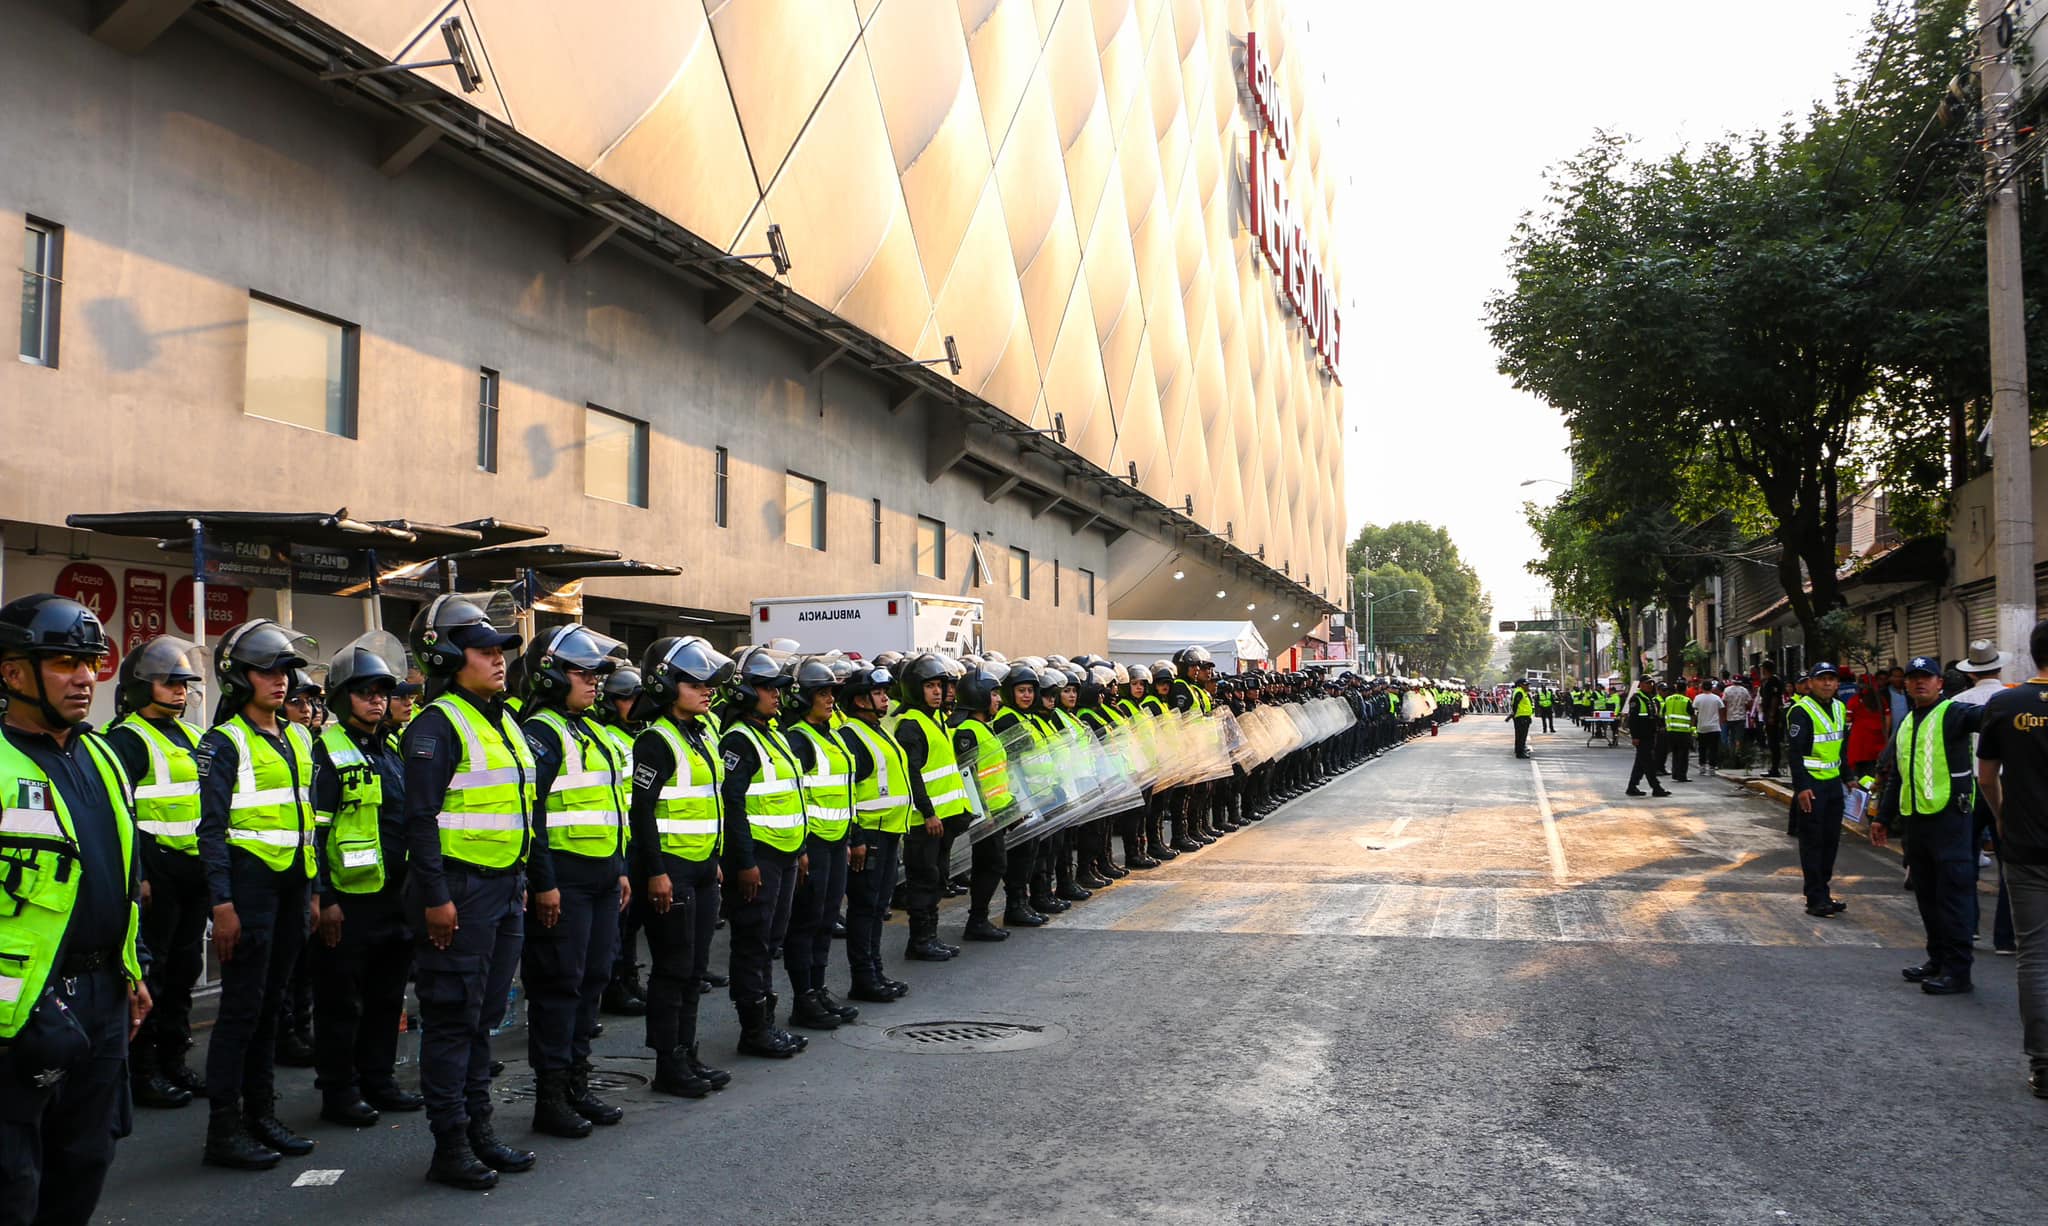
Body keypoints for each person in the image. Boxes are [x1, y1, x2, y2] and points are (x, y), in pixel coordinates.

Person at [0, 595, 150, 1226]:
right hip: (18, 1003)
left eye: (91, 662)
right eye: (64, 662)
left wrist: (132, 967)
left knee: (86, 1159)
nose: (87, 678)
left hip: (102, 994)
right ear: (12, 672)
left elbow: (123, 873)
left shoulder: (104, 756)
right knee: (11, 1180)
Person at [400, 595, 536, 1191]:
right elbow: (420, 819)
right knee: (452, 1019)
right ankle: (449, 1143)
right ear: (450, 657)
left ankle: (479, 1128)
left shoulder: (500, 717)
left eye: (501, 651)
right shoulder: (436, 726)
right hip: (457, 890)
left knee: (484, 1018)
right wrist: (436, 897)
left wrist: (524, 880)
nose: (499, 661)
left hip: (503, 888)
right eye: (485, 652)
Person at [194, 618, 319, 1171]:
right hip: (248, 890)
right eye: (267, 671)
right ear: (238, 677)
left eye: (286, 672)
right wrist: (221, 904)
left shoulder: (298, 736)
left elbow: (307, 820)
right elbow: (211, 830)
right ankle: (224, 1128)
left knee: (273, 1007)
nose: (281, 682)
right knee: (242, 1010)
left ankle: (261, 1113)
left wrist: (312, 891)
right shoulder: (223, 742)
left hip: (292, 886)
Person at [518, 624, 632, 1139]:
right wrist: (543, 882)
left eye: (596, 674)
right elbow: (532, 815)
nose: (594, 683)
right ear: (550, 675)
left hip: (602, 877)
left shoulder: (589, 729)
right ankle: (551, 1097)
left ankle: (577, 1085)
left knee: (591, 983)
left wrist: (620, 869)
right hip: (564, 880)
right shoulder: (541, 730)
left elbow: (611, 807)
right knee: (559, 987)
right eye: (583, 673)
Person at [305, 632, 421, 1128]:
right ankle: (339, 1091)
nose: (377, 700)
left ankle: (378, 1079)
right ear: (339, 696)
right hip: (348, 904)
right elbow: (314, 833)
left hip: (394, 898)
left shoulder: (391, 750)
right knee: (339, 1003)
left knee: (386, 997)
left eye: (382, 692)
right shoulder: (325, 752)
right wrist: (324, 898)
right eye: (365, 691)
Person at [627, 637, 735, 1098]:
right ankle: (668, 1063)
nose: (707, 689)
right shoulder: (655, 739)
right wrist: (655, 872)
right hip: (669, 868)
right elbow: (642, 812)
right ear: (667, 684)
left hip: (700, 867)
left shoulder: (703, 732)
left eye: (708, 681)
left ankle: (687, 1053)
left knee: (694, 969)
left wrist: (714, 861)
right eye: (694, 682)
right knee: (672, 969)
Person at [104, 635, 207, 1111]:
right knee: (155, 972)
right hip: (155, 871)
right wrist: (138, 874)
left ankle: (174, 1060)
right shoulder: (125, 738)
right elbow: (119, 813)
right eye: (170, 683)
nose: (180, 691)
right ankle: (141, 1071)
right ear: (142, 687)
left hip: (192, 866)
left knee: (185, 970)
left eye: (184, 683)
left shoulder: (189, 736)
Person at [1871, 655, 1987, 995]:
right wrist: (1881, 817)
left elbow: (1987, 718)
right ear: (1905, 683)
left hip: (1949, 821)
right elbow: (1898, 777)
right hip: (1916, 822)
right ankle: (1937, 960)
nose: (1920, 682)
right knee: (1927, 897)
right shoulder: (1908, 722)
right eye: (1913, 677)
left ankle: (1958, 971)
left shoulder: (1953, 713)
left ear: (1940, 683)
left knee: (1952, 896)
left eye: (1927, 677)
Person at [716, 647, 811, 1058]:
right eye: (767, 687)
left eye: (778, 687)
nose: (776, 695)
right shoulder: (738, 739)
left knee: (770, 941)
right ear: (743, 692)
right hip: (761, 857)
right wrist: (745, 862)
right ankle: (754, 1029)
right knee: (753, 942)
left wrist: (801, 848)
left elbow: (790, 797)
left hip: (786, 854)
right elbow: (732, 804)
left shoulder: (772, 734)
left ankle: (767, 1024)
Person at [1974, 620, 2048, 1096]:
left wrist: (2002, 819)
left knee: (2036, 956)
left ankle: (2044, 1066)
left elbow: (1986, 777)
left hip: (2026, 846)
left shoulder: (2006, 704)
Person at [779, 658, 859, 1031]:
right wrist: (804, 848)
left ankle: (818, 987)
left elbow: (842, 792)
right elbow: (797, 797)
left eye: (831, 693)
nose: (829, 700)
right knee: (806, 922)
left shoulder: (830, 734)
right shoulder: (797, 738)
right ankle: (804, 998)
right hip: (812, 844)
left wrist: (847, 837)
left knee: (826, 920)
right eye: (822, 693)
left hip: (834, 841)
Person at [836, 664, 917, 996]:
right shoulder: (852, 736)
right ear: (859, 700)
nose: (885, 698)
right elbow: (847, 792)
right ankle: (864, 978)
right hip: (868, 835)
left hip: (888, 832)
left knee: (877, 907)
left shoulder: (877, 729)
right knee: (865, 907)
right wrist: (854, 838)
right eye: (878, 693)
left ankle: (875, 972)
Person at [889, 654, 970, 960]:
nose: (938, 691)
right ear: (914, 689)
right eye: (930, 686)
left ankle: (930, 937)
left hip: (943, 819)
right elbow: (912, 774)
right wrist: (928, 813)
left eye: (940, 685)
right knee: (923, 882)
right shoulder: (911, 724)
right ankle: (920, 940)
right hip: (924, 822)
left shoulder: (934, 720)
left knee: (936, 879)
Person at [597, 666, 652, 1018]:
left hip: (640, 836)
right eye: (625, 698)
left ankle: (629, 976)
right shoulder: (609, 737)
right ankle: (615, 984)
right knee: (620, 918)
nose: (633, 704)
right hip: (621, 838)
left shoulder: (641, 735)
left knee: (633, 917)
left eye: (637, 697)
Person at [1787, 662, 1850, 919]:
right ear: (1810, 683)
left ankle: (1823, 891)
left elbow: (1841, 746)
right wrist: (1801, 787)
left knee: (1830, 841)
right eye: (1821, 679)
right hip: (1812, 786)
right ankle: (1815, 898)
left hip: (1834, 785)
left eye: (1831, 679)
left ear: (1837, 683)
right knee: (1813, 842)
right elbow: (1795, 753)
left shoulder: (1839, 707)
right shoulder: (1800, 711)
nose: (1827, 684)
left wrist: (1850, 777)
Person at [1625, 678, 1669, 798]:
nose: (1650, 685)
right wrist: (1635, 736)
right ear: (1641, 685)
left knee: (1640, 762)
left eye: (1651, 683)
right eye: (1647, 683)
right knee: (1649, 763)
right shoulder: (1636, 698)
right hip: (1642, 736)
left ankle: (1632, 787)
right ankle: (1656, 788)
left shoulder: (1650, 698)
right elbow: (1633, 720)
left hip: (1650, 735)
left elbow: (1653, 716)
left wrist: (1659, 726)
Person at [1660, 681, 1694, 783]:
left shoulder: (1668, 699)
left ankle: (1675, 773)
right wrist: (1691, 728)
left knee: (1675, 753)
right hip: (1683, 731)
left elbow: (1663, 713)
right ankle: (1682, 775)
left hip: (1670, 730)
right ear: (1685, 689)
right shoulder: (1686, 700)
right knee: (1683, 754)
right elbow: (1692, 715)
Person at [1758, 661, 1786, 778]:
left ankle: (1775, 769)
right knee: (1771, 742)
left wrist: (1771, 715)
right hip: (1768, 714)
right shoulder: (1766, 681)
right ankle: (1773, 768)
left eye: (1762, 668)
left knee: (1774, 742)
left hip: (1773, 716)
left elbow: (1775, 698)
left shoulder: (1774, 680)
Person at [1692, 681, 1724, 775]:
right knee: (1713, 748)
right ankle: (1712, 767)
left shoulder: (1698, 698)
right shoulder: (1716, 698)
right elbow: (1722, 709)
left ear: (1702, 687)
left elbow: (1694, 711)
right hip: (1714, 727)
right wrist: (1721, 722)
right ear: (1711, 688)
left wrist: (1693, 725)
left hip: (1702, 726)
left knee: (1702, 747)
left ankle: (1702, 766)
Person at [1507, 678, 1533, 759]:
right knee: (1521, 736)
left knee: (1521, 736)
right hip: (1521, 717)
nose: (1528, 686)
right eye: (1526, 685)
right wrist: (1514, 714)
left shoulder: (1521, 692)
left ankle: (1520, 750)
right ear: (1521, 685)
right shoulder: (1519, 692)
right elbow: (1515, 704)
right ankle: (1520, 753)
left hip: (1523, 716)